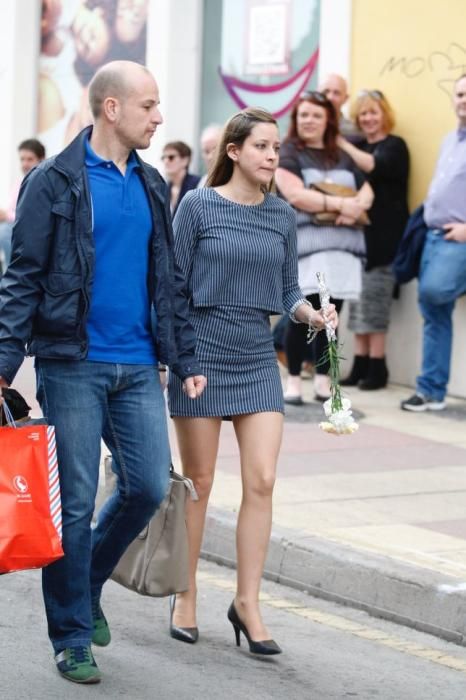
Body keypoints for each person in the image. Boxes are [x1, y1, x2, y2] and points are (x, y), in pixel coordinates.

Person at [0, 60, 206, 684]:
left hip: (140, 363)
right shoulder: (54, 182)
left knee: (147, 486)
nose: (159, 116)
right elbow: (23, 277)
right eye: (149, 105)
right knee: (78, 499)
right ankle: (70, 636)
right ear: (111, 108)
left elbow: (167, 280)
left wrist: (184, 357)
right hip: (72, 363)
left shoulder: (149, 183)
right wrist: (4, 363)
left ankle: (86, 588)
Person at [167, 107, 337, 654]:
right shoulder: (196, 205)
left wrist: (312, 315)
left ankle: (247, 603)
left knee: (261, 480)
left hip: (256, 356)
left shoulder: (282, 216)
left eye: (276, 148)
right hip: (201, 354)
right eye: (262, 146)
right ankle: (186, 594)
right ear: (235, 152)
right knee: (200, 482)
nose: (272, 156)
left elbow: (287, 290)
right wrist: (179, 357)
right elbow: (172, 286)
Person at [275, 91, 373, 404]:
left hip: (344, 248)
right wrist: (344, 204)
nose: (309, 121)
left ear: (328, 119)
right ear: (295, 119)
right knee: (303, 312)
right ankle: (293, 381)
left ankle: (322, 380)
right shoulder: (289, 151)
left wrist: (355, 206)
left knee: (333, 314)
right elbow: (297, 195)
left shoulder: (341, 153)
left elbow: (368, 189)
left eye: (316, 115)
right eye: (303, 114)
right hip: (309, 249)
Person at [401, 74, 466, 412]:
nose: (463, 99)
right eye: (459, 93)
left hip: (458, 239)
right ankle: (431, 390)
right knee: (433, 313)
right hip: (433, 237)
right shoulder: (449, 141)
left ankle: (431, 388)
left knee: (433, 294)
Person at [338, 90, 410, 389]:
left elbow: (375, 166)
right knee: (358, 301)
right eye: (362, 114)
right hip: (359, 239)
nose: (367, 119)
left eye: (373, 112)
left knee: (375, 301)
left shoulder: (394, 146)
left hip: (386, 240)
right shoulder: (362, 146)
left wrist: (342, 142)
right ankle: (361, 363)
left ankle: (378, 368)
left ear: (385, 115)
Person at [0, 138, 46, 272]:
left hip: (28, 233)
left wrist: (6, 216)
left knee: (4, 232)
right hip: (13, 230)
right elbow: (11, 210)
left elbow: (32, 216)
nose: (25, 164)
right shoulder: (18, 182)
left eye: (30, 159)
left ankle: (10, 276)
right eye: (22, 159)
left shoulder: (43, 184)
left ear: (41, 159)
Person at [319, 73, 363, 143]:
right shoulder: (303, 126)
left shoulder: (354, 132)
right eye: (326, 91)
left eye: (336, 93)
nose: (330, 97)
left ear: (345, 98)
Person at [162, 140, 200, 217]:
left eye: (171, 157)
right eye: (163, 157)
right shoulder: (163, 188)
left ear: (185, 160)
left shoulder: (198, 184)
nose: (166, 161)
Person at [197, 123, 222, 187]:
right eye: (206, 151)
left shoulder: (236, 181)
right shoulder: (203, 181)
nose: (210, 157)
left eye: (215, 150)